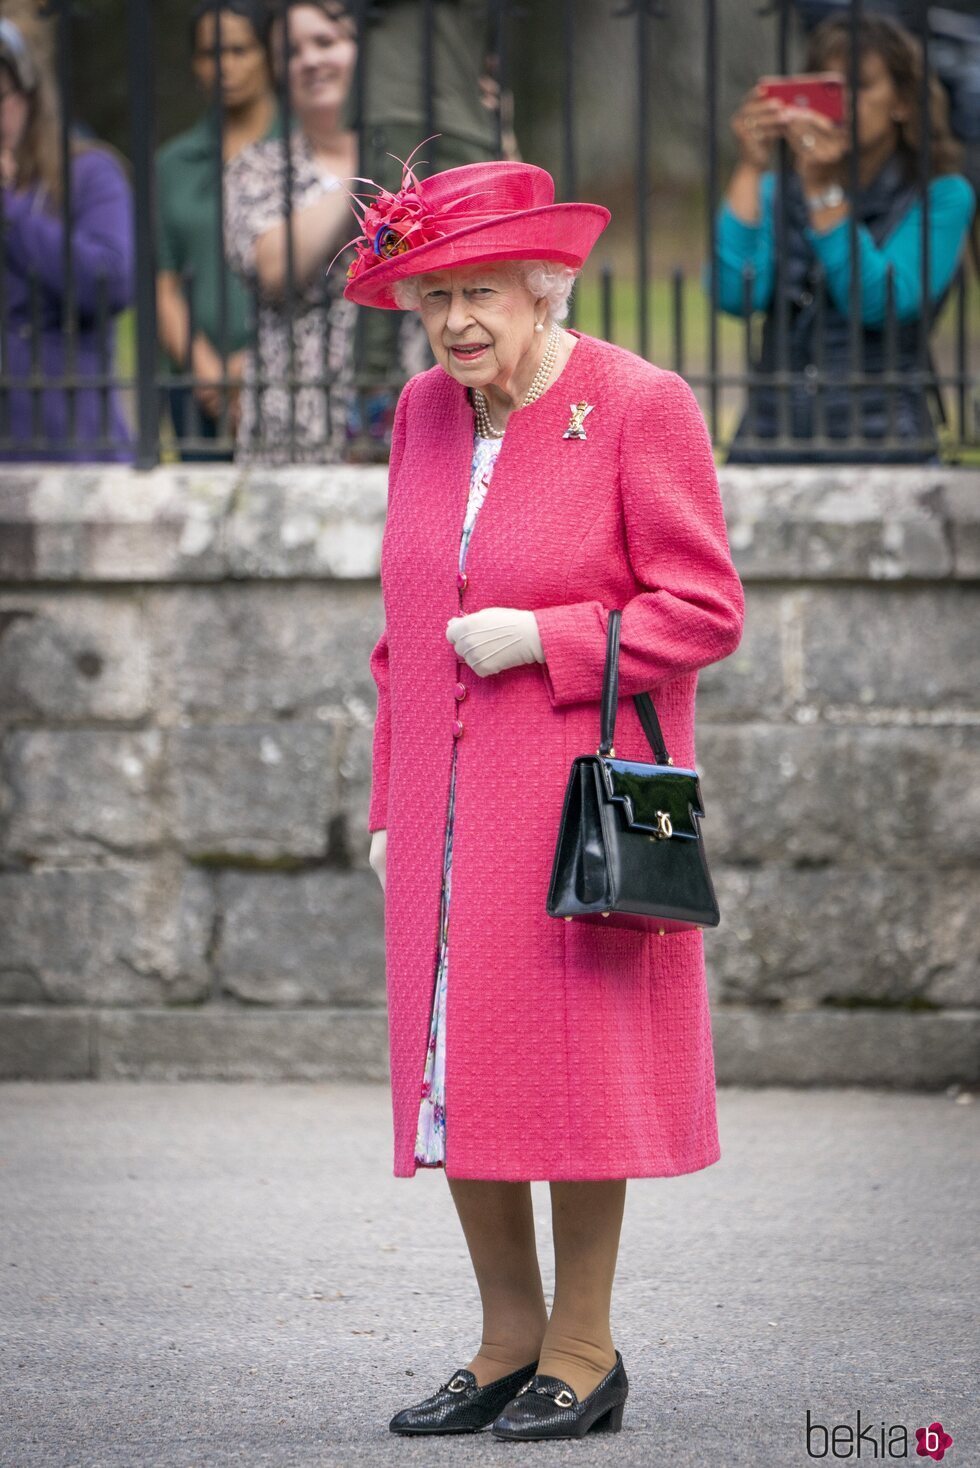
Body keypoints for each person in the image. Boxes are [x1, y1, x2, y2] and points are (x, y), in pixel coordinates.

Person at [346, 157, 745, 1440]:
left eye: (479, 292)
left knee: (571, 1068)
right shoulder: (422, 412)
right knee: (456, 1070)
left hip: (567, 802)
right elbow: (402, 630)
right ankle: (504, 1339)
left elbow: (703, 610)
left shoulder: (636, 401)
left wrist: (549, 638)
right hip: (441, 809)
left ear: (541, 284)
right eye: (433, 296)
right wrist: (387, 802)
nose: (457, 320)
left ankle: (585, 1345)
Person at [715, 12, 976, 463]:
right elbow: (734, 294)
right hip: (769, 441)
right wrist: (751, 166)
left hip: (884, 443)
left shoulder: (941, 196)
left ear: (904, 102)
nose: (841, 105)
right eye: (828, 88)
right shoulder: (777, 190)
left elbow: (883, 303)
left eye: (859, 85)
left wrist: (823, 190)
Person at [341, 0, 505, 449]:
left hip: (460, 97)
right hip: (400, 96)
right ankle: (370, 410)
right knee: (391, 253)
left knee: (488, 255)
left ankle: (490, 396)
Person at [223, 0, 357, 464]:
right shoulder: (256, 169)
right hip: (293, 429)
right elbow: (272, 267)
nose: (310, 61)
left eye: (326, 42)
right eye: (292, 52)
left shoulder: (421, 156)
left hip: (412, 426)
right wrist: (362, 175)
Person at [0, 8, 134, 462]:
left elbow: (110, 283)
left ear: (28, 97)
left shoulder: (89, 173)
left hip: (74, 449)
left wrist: (10, 210)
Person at [156, 0, 281, 460]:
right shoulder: (173, 163)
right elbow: (162, 282)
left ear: (268, 54)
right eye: (210, 54)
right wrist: (206, 370)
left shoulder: (303, 150)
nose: (224, 66)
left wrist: (254, 369)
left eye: (239, 50)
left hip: (292, 379)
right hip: (194, 389)